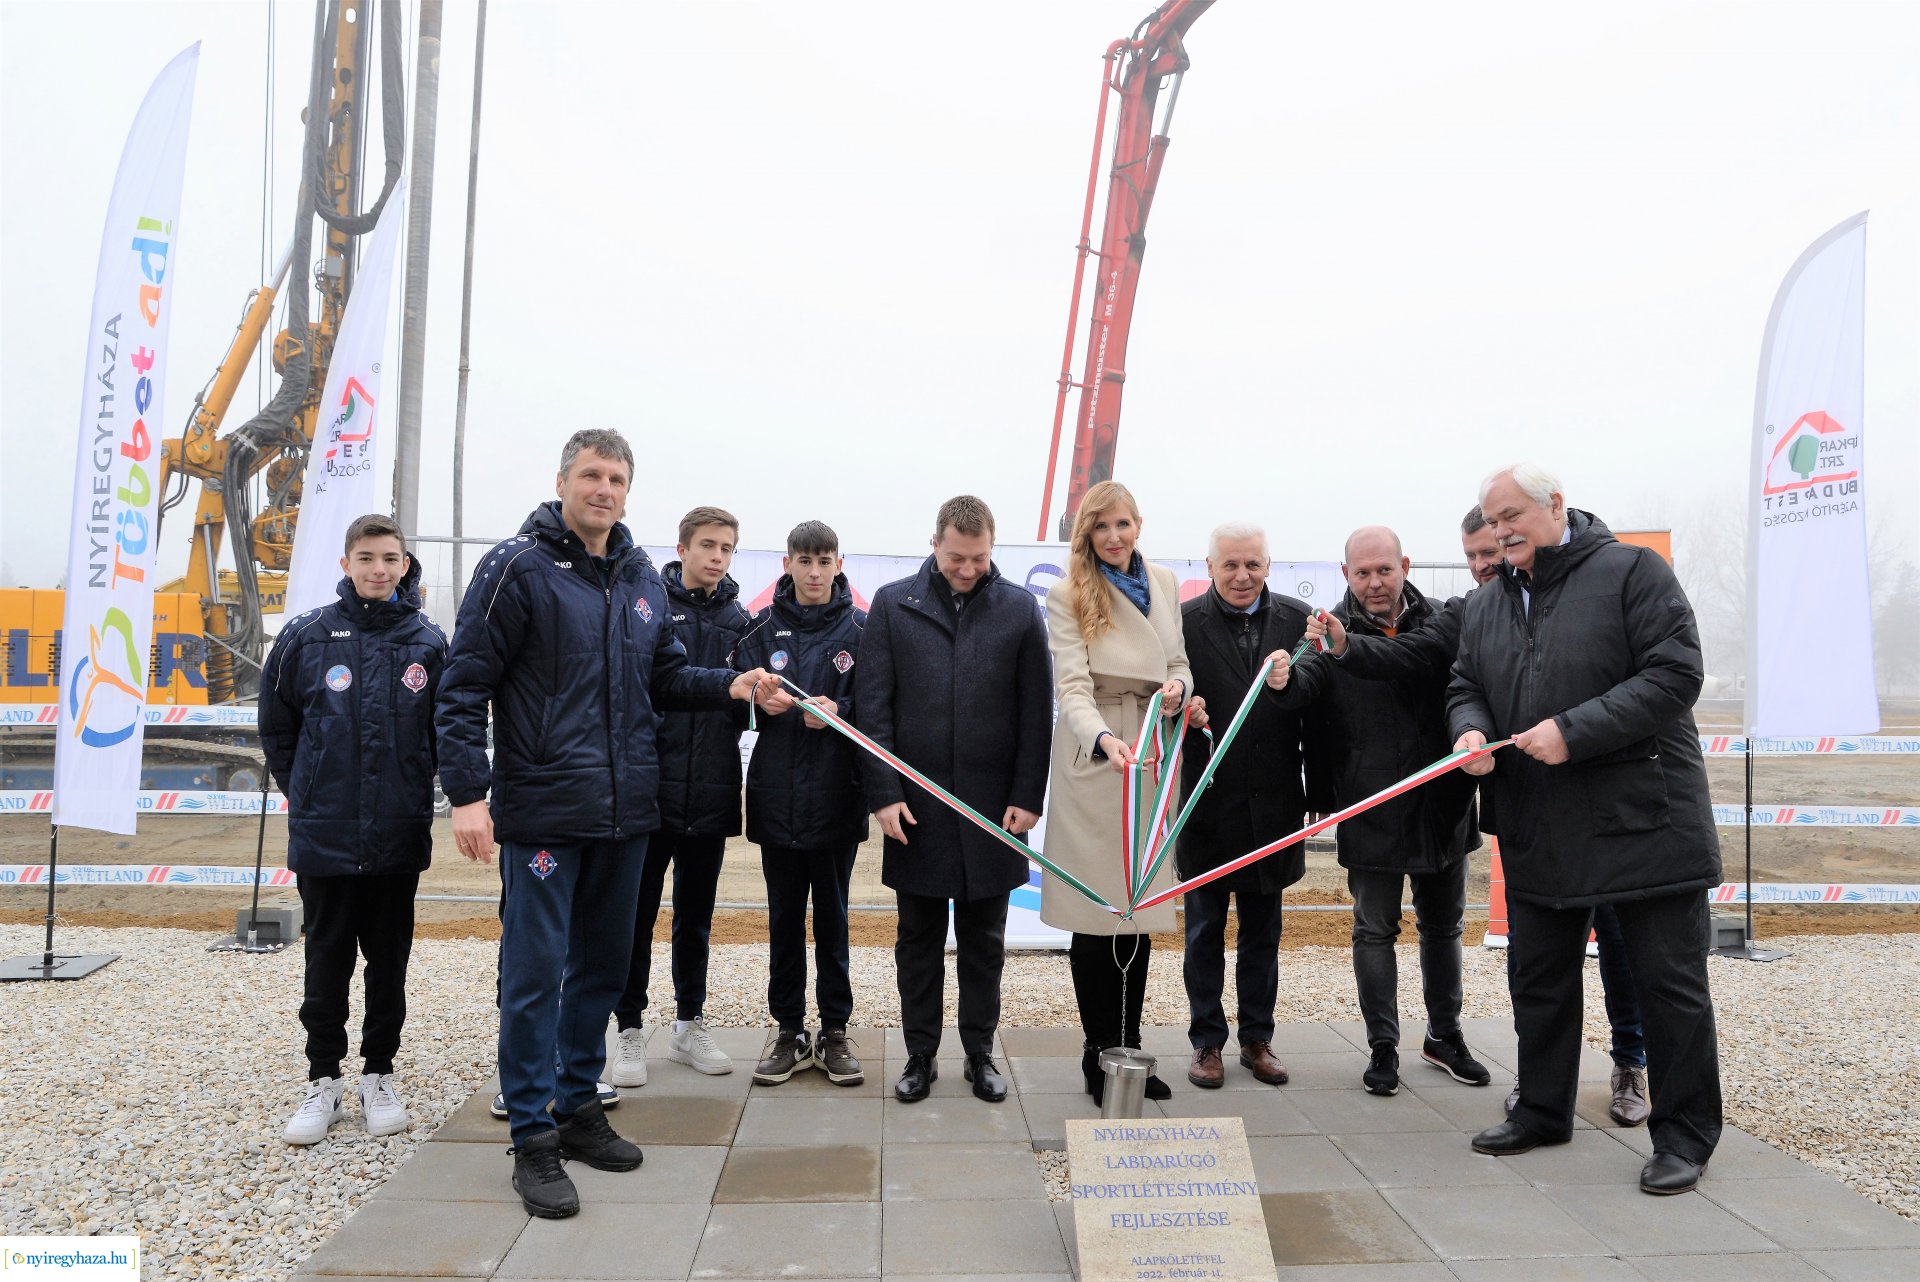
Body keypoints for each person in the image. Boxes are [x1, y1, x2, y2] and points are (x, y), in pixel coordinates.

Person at [437, 429, 784, 1219]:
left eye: (617, 477)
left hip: (628, 812)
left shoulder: (636, 577)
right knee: (534, 977)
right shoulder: (515, 569)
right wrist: (466, 791)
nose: (604, 488)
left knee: (600, 970)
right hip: (546, 814)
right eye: (591, 474)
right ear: (562, 480)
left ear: (630, 490)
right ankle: (531, 1137)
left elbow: (662, 675)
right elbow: (462, 686)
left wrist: (735, 685)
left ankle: (575, 1106)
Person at [1311, 505, 1651, 1124]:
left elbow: (1652, 678)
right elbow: (1432, 671)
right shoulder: (1467, 614)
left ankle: (1631, 1061)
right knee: (1536, 958)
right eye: (1471, 557)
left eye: (1489, 554)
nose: (1481, 567)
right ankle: (1538, 1085)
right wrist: (1341, 648)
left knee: (1620, 941)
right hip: (1512, 805)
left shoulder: (1593, 592)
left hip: (1595, 801)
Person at [1449, 463, 1721, 1195]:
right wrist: (1470, 732)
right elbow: (1465, 684)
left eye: (1512, 514)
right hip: (1539, 822)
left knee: (1669, 987)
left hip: (1644, 821)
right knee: (1539, 980)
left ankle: (1685, 1136)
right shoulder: (1486, 606)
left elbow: (1675, 674)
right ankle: (1541, 1109)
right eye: (1491, 518)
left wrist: (1573, 731)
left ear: (1556, 505)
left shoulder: (1633, 571)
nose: (1501, 529)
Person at [1271, 525, 1489, 1097]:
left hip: (1443, 803)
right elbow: (1304, 690)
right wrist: (1283, 680)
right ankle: (1383, 1048)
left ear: (1405, 567)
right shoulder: (1325, 632)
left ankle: (1444, 1035)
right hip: (1371, 806)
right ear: (1346, 575)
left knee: (1445, 927)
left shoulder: (1443, 621)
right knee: (1374, 930)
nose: (1374, 583)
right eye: (1362, 572)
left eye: (1384, 570)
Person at [856, 495, 1052, 1105]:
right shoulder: (893, 604)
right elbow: (874, 707)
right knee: (917, 938)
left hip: (993, 809)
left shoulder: (1019, 608)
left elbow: (1033, 711)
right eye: (956, 557)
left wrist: (1027, 796)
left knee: (984, 940)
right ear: (934, 543)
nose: (967, 569)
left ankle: (979, 1052)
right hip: (915, 807)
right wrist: (884, 794)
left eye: (978, 558)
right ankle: (920, 1055)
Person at [262, 514, 446, 1146]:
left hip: (397, 836)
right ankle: (323, 1079)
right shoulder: (306, 638)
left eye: (390, 558)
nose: (378, 569)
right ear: (346, 563)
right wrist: (307, 793)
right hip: (326, 838)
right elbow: (278, 730)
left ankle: (378, 1074)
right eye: (366, 557)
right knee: (327, 959)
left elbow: (446, 731)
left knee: (388, 962)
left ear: (404, 565)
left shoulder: (428, 642)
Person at [1040, 480, 1192, 1104]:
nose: (1114, 537)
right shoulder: (1067, 592)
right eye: (1101, 527)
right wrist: (1102, 739)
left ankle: (1129, 1050)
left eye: (1123, 524)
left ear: (1138, 524)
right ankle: (1095, 1050)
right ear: (1086, 533)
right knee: (1095, 912)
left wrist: (1179, 689)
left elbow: (1177, 661)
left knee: (1139, 911)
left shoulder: (1162, 582)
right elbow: (1071, 687)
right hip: (1097, 756)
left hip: (1153, 747)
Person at [607, 506, 754, 1087]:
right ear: (683, 547)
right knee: (635, 917)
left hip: (713, 790)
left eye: (727, 548)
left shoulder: (745, 624)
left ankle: (690, 1023)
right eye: (708, 545)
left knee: (696, 917)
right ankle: (629, 1027)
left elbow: (752, 705)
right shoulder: (648, 610)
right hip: (651, 792)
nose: (717, 557)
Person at [731, 521, 869, 1086]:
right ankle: (788, 1030)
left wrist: (842, 715)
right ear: (787, 564)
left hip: (838, 798)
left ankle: (834, 1031)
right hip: (776, 798)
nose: (814, 572)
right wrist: (759, 705)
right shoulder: (758, 630)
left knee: (833, 920)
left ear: (839, 564)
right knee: (784, 922)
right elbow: (730, 697)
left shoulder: (862, 629)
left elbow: (879, 705)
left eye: (824, 560)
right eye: (804, 561)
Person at [1177, 520, 1311, 1090]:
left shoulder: (1294, 621)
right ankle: (1207, 1041)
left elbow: (1317, 694)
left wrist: (1290, 685)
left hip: (1274, 805)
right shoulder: (1183, 626)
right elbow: (1166, 702)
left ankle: (1258, 1039)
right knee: (1204, 930)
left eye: (1252, 564)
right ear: (1208, 567)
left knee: (1264, 931)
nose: (1241, 575)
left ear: (1268, 565)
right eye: (1229, 564)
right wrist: (1184, 713)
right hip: (1208, 805)